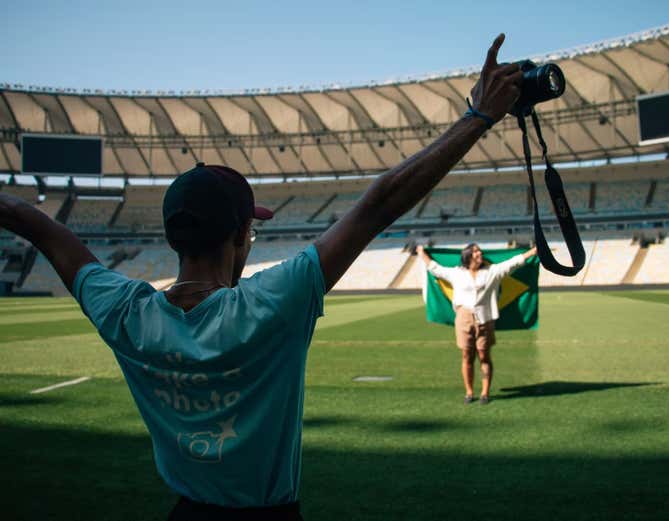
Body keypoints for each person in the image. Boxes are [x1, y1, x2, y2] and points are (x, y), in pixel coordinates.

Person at [0, 34, 524, 520]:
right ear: (239, 237)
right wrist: (477, 117)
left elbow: (42, 229)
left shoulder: (125, 312)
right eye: (250, 229)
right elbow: (378, 204)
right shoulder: (272, 302)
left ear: (172, 237)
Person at [416, 243, 537, 405]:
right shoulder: (456, 273)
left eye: (479, 250)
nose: (479, 253)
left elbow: (514, 262)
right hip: (463, 318)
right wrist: (421, 252)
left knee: (483, 355)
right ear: (467, 256)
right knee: (467, 355)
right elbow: (434, 267)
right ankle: (469, 392)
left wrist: (534, 251)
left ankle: (485, 393)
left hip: (485, 318)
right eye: (475, 251)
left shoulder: (492, 271)